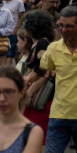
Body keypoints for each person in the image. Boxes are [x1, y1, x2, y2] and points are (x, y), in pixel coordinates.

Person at [34, 6, 77, 153]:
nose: (63, 30)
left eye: (69, 26)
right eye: (61, 25)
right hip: (59, 115)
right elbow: (44, 70)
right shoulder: (54, 48)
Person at [17, 11, 55, 139]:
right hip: (36, 96)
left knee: (37, 136)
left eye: (26, 23)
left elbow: (45, 72)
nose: (24, 26)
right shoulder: (39, 44)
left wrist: (28, 93)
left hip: (42, 98)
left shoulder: (42, 44)